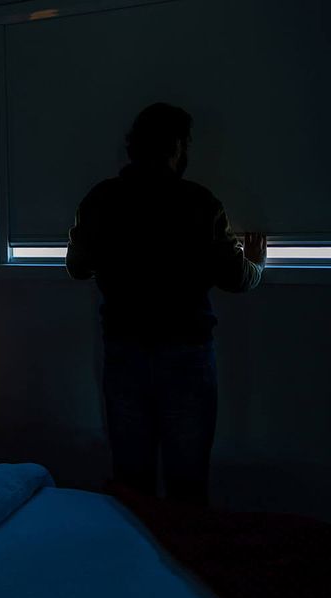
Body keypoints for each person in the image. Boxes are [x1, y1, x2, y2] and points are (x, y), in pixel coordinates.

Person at [66, 103, 264, 506]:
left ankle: (136, 561)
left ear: (133, 147)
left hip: (124, 351)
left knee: (131, 484)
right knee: (187, 484)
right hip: (186, 354)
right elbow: (235, 279)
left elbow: (77, 267)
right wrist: (257, 263)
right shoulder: (199, 204)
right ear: (177, 148)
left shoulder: (101, 200)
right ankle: (184, 561)